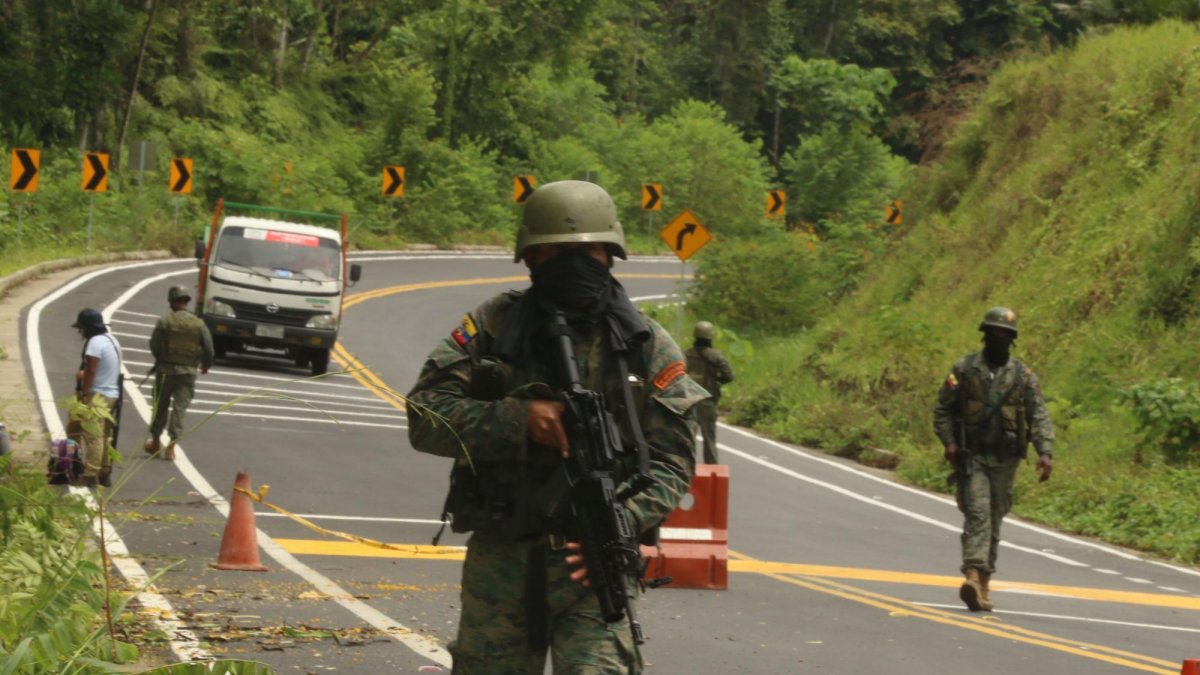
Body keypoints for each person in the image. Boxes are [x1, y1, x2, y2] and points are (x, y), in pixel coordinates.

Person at [406, 180, 708, 673]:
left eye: (588, 250)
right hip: (503, 559)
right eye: (557, 251)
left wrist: (622, 524)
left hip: (595, 564)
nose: (574, 263)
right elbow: (425, 415)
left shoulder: (645, 346)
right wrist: (517, 419)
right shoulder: (497, 326)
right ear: (530, 257)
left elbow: (673, 460)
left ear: (610, 254)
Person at [934, 306, 1054, 612]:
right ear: (985, 334)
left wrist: (1045, 451)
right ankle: (972, 574)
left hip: (1006, 459)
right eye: (994, 332)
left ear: (1012, 339)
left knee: (996, 517)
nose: (998, 338)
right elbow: (943, 409)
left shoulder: (1022, 377)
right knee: (978, 513)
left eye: (1004, 334)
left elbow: (1038, 414)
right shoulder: (965, 369)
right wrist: (949, 442)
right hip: (974, 456)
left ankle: (984, 581)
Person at [145, 286, 214, 460]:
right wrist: (205, 365)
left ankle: (155, 442)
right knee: (179, 409)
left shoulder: (165, 321)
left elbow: (154, 344)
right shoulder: (199, 323)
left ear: (172, 302)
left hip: (165, 371)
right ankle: (171, 448)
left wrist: (161, 358)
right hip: (188, 373)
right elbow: (209, 348)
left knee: (160, 406)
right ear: (186, 302)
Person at [71, 308, 123, 488]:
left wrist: (84, 393)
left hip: (97, 394)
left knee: (93, 435)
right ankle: (104, 472)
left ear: (88, 328)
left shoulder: (94, 342)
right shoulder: (112, 340)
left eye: (81, 328)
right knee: (105, 434)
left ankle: (90, 474)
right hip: (112, 394)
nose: (80, 333)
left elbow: (92, 370)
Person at [684, 321, 735, 464]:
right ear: (710, 337)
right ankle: (711, 472)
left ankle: (685, 469)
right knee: (709, 440)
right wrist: (716, 381)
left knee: (687, 439)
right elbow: (729, 376)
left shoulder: (685, 354)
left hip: (688, 402)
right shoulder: (716, 356)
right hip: (707, 402)